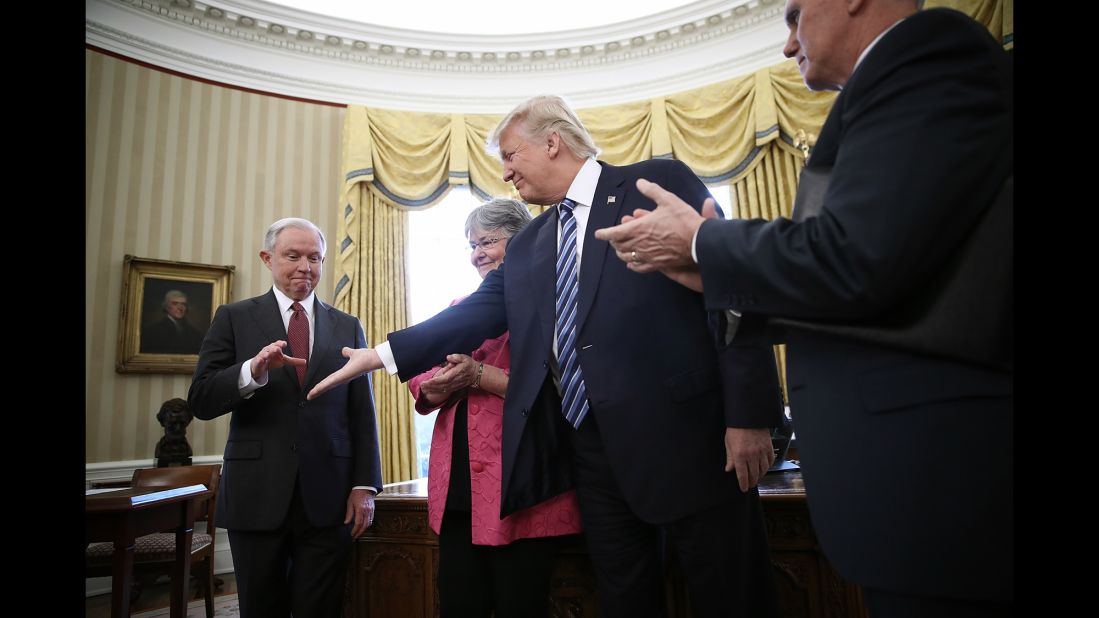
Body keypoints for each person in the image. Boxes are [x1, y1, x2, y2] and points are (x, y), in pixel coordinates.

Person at [594, 2, 1013, 616]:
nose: (788, 45)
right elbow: (875, 277)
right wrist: (704, 273)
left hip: (944, 484)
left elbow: (857, 256)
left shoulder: (930, 55)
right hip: (911, 490)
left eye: (794, 17)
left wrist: (704, 243)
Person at [311, 96, 785, 617]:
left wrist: (750, 415)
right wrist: (381, 355)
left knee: (733, 596)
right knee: (627, 599)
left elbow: (730, 286)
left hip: (691, 443)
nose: (506, 171)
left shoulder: (653, 181)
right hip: (593, 458)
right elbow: (474, 314)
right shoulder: (535, 239)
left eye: (511, 155)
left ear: (552, 142)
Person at [188, 217, 383, 618]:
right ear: (268, 258)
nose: (304, 267)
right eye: (292, 256)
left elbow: (361, 412)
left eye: (314, 258)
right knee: (262, 609)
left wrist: (366, 485)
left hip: (329, 498)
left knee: (321, 609)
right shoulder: (234, 317)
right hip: (256, 495)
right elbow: (201, 400)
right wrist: (252, 372)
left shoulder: (347, 325)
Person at [410, 197, 583, 617]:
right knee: (458, 603)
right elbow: (420, 374)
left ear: (522, 242)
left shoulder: (556, 306)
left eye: (487, 241)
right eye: (471, 245)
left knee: (519, 604)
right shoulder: (459, 308)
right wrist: (436, 386)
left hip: (523, 485)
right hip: (457, 491)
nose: (477, 254)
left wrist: (477, 376)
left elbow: (566, 391)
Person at [140, 290, 206, 354]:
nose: (180, 308)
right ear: (166, 306)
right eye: (175, 303)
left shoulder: (195, 334)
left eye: (183, 304)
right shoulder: (152, 332)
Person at [154, 397, 194, 467]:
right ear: (162, 422)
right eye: (172, 423)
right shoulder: (160, 449)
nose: (177, 428)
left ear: (188, 422)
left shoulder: (187, 449)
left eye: (182, 423)